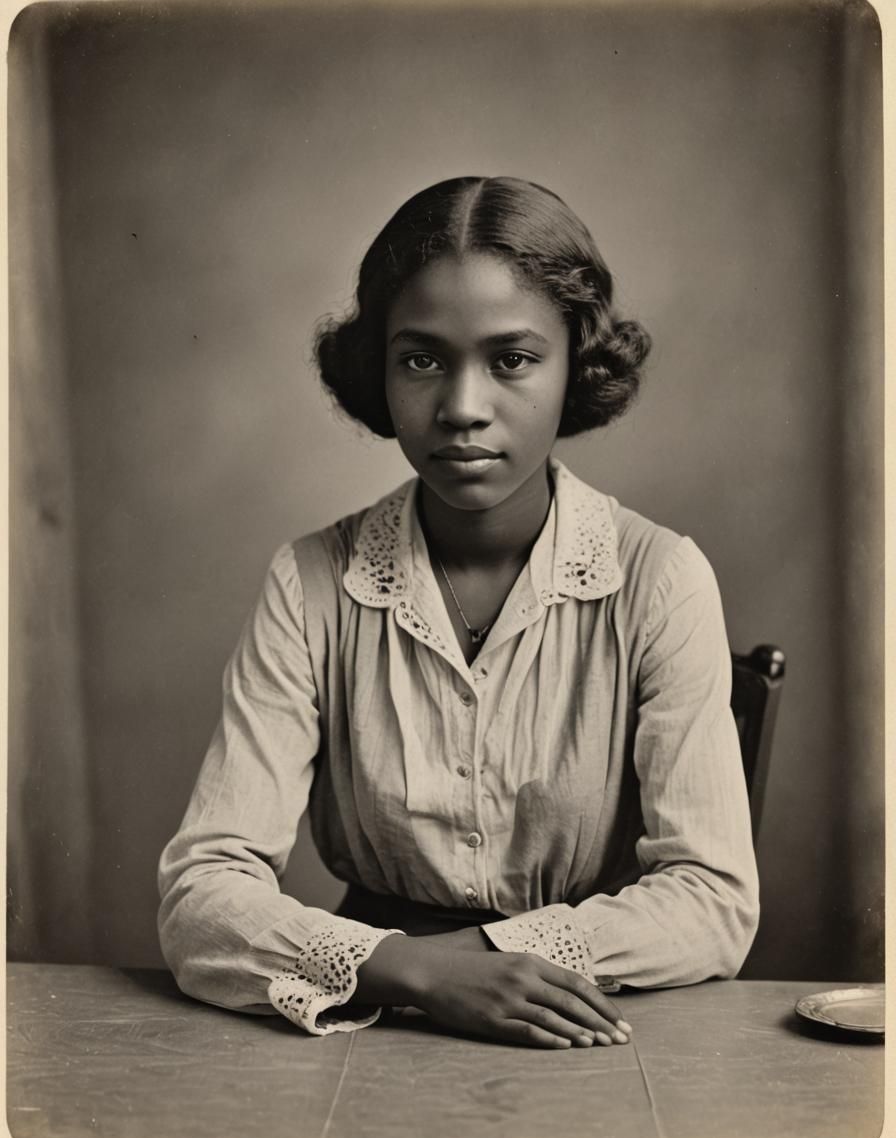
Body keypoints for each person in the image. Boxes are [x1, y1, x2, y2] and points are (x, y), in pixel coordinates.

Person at [158, 176, 759, 1049]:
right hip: (368, 1021)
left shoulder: (660, 580)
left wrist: (476, 961)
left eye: (511, 360)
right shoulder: (311, 582)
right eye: (422, 360)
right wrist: (414, 974)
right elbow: (201, 892)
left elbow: (711, 899)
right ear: (379, 368)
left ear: (576, 365)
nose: (463, 409)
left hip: (588, 1024)